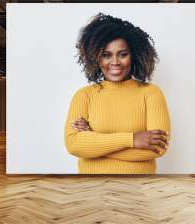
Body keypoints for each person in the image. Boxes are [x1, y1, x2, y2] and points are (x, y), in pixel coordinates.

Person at [64, 13, 171, 174]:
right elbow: (73, 144)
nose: (115, 62)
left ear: (133, 55)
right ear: (96, 58)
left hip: (139, 188)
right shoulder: (84, 95)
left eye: (123, 54)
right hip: (91, 188)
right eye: (106, 55)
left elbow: (157, 148)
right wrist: (132, 140)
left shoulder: (151, 93)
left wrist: (94, 141)